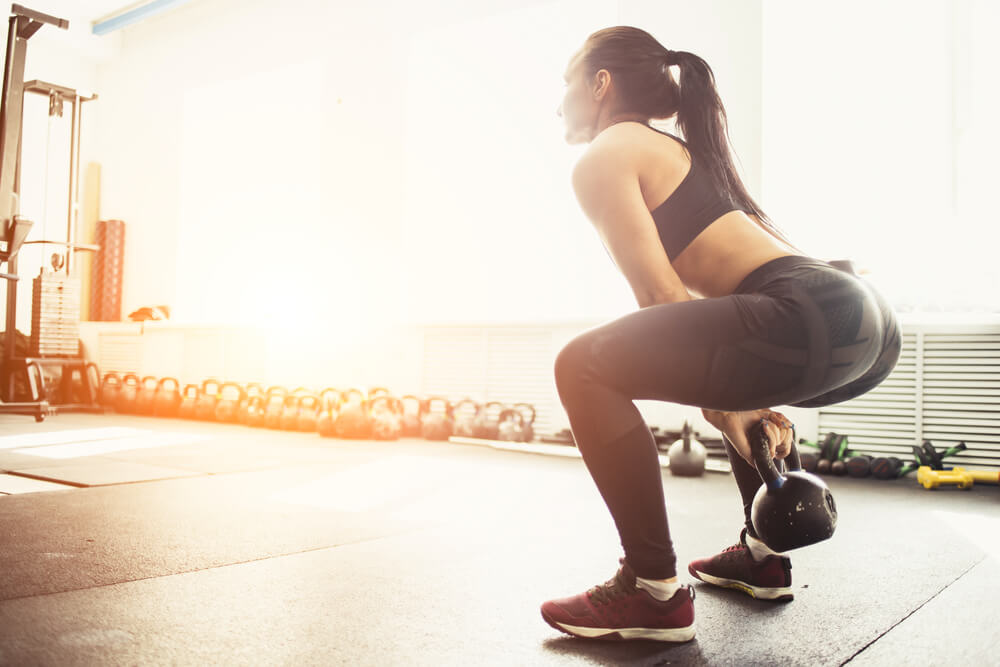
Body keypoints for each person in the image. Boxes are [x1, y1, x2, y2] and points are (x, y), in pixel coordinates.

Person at [540, 26, 901, 643]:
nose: (558, 104)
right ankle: (762, 556)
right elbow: (710, 327)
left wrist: (722, 403)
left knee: (581, 365)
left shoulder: (606, 154)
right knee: (732, 375)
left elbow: (661, 300)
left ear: (600, 83)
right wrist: (731, 399)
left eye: (566, 84)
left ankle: (651, 590)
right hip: (864, 329)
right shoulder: (677, 150)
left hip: (810, 312)